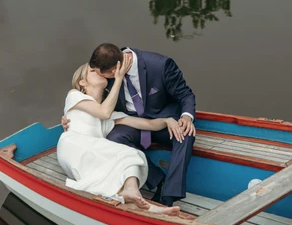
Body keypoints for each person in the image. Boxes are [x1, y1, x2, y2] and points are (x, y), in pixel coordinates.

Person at [62, 43, 196, 207]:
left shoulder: (160, 65)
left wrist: (186, 117)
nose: (99, 76)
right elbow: (96, 106)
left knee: (185, 133)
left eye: (97, 72)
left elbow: (185, 94)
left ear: (113, 71)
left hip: (162, 119)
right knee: (115, 137)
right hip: (127, 123)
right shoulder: (107, 79)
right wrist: (69, 117)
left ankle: (168, 195)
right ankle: (157, 180)